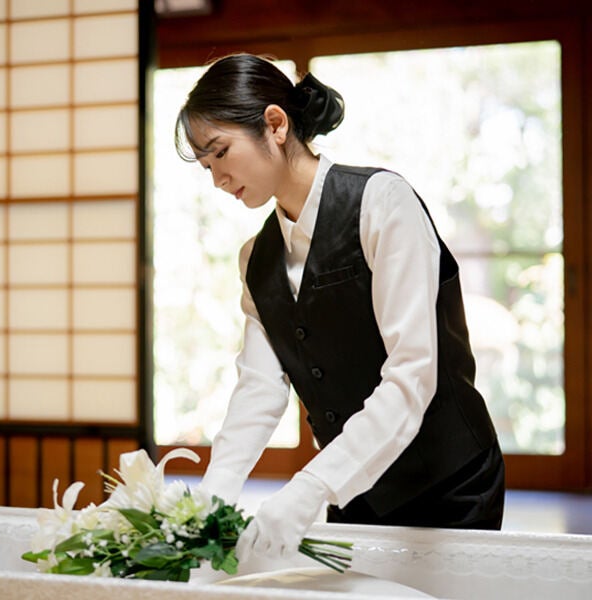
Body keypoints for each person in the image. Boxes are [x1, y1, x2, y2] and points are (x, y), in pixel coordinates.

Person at [174, 53, 505, 562]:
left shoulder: (381, 203)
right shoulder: (255, 259)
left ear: (275, 124)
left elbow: (411, 376)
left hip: (449, 484)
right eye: (206, 165)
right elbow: (260, 389)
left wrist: (308, 490)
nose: (217, 177)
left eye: (221, 152)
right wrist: (211, 496)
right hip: (354, 488)